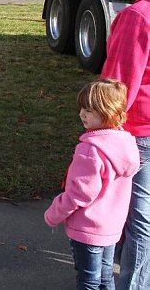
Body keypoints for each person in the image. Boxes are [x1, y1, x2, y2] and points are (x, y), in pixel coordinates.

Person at [44, 79, 139, 290]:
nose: (81, 114)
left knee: (88, 280)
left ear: (107, 112)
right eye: (81, 109)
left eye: (88, 110)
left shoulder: (89, 150)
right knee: (105, 277)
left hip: (87, 228)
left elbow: (79, 194)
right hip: (111, 228)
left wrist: (53, 214)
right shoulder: (126, 144)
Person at [100, 0, 150, 290]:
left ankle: (134, 284)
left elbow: (118, 82)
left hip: (139, 128)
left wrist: (102, 128)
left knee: (137, 217)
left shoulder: (137, 16)